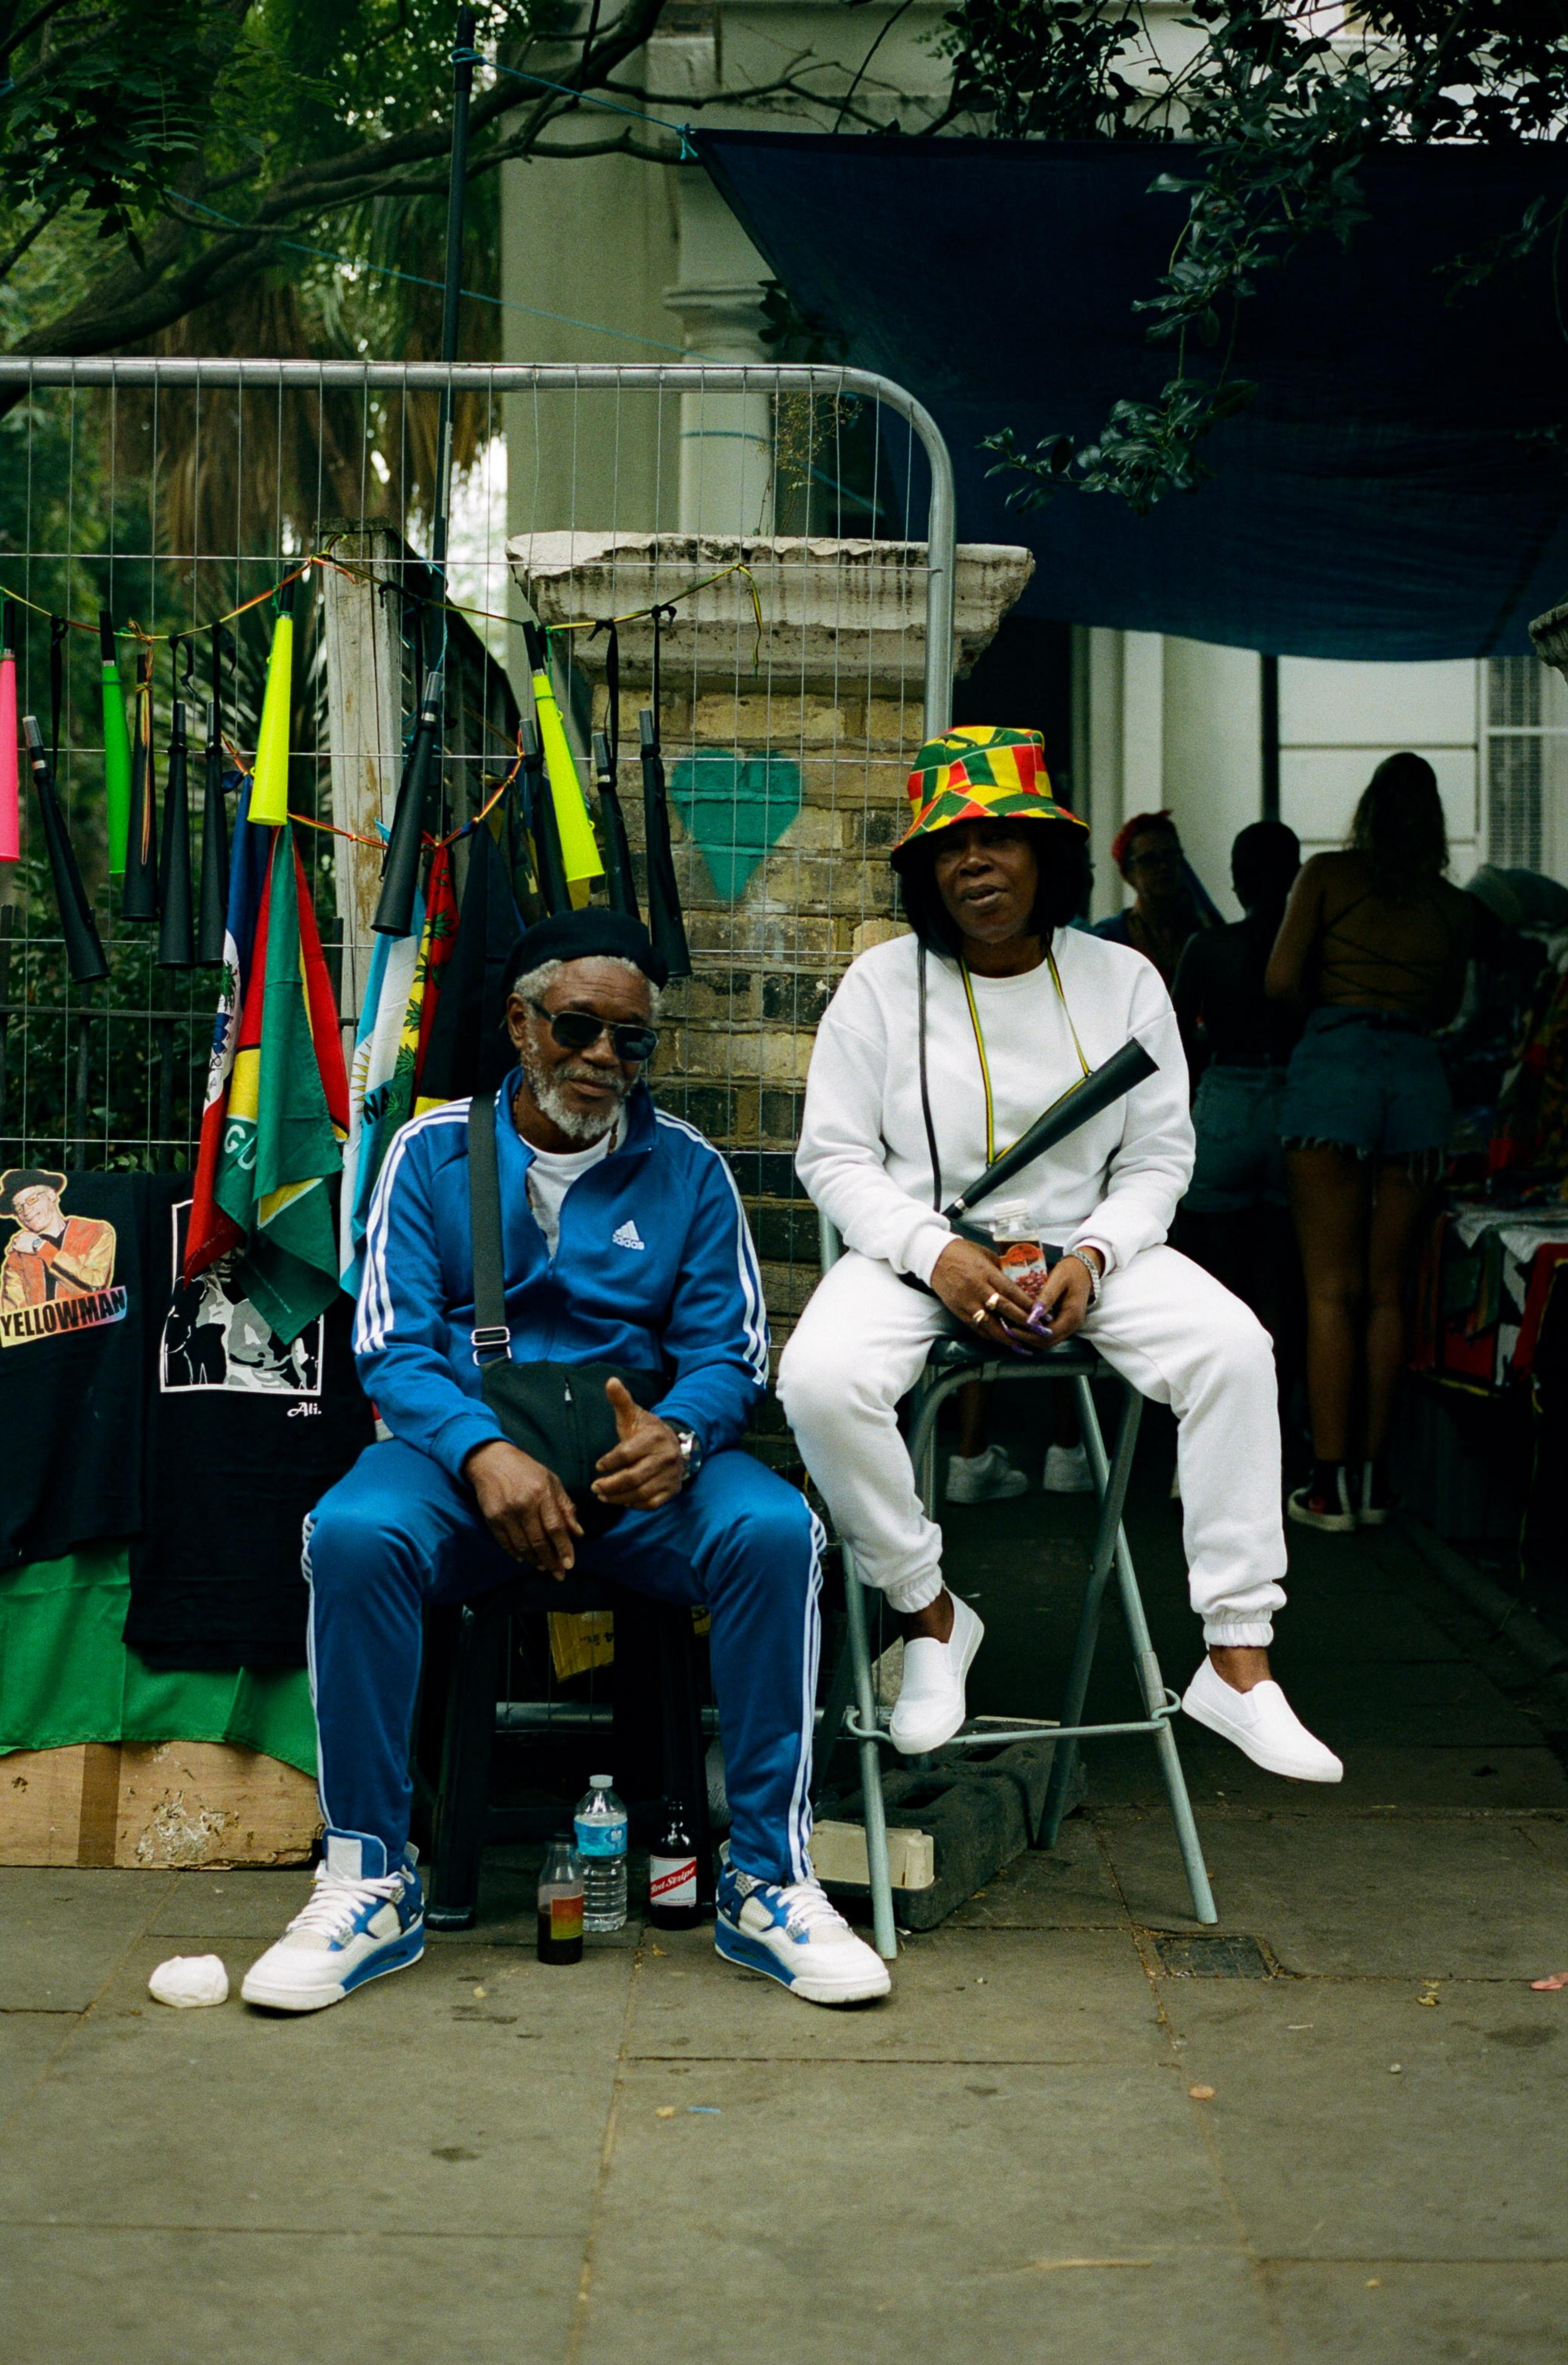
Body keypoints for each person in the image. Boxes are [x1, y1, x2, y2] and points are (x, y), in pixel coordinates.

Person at [242, 909, 889, 2016]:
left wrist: (680, 1438)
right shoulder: (433, 1152)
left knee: (780, 1534)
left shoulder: (685, 1170)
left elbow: (732, 1351)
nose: (601, 1059)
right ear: (520, 1023)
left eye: (629, 1040)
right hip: (464, 1471)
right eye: (578, 1028)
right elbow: (389, 1344)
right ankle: (367, 1876)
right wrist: (480, 1450)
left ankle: (768, 1882)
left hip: (637, 1481)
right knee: (350, 1535)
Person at [779, 725, 1340, 1785]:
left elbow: (1162, 1154)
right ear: (924, 870)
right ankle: (930, 1616)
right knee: (815, 1377)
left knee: (1233, 1349)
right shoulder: (882, 986)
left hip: (1091, 1257)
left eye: (1000, 838)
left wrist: (1099, 1249)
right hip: (925, 1256)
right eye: (950, 846)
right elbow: (837, 1157)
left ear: (1050, 855)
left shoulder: (1123, 979)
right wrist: (931, 1250)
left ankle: (1237, 1655)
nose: (974, 863)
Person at [1266, 753, 1474, 1531]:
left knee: (1330, 1290)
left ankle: (1324, 1489)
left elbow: (1281, 981)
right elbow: (1449, 1003)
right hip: (1417, 1075)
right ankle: (1376, 1482)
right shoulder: (1450, 907)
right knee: (1388, 1290)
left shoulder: (1326, 875)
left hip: (1334, 1066)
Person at [1172, 822, 1304, 1407]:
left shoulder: (1209, 949)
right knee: (1282, 1268)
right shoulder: (1313, 955)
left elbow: (1171, 1041)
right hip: (1294, 1099)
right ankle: (1278, 1412)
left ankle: (1215, 1408)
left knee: (1215, 1277)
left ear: (1235, 879)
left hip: (1224, 1097)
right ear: (1297, 875)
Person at [1094, 809, 1210, 987]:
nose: (1163, 867)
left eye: (1169, 856)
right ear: (1128, 873)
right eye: (1149, 860)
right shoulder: (1108, 938)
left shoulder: (1205, 930)